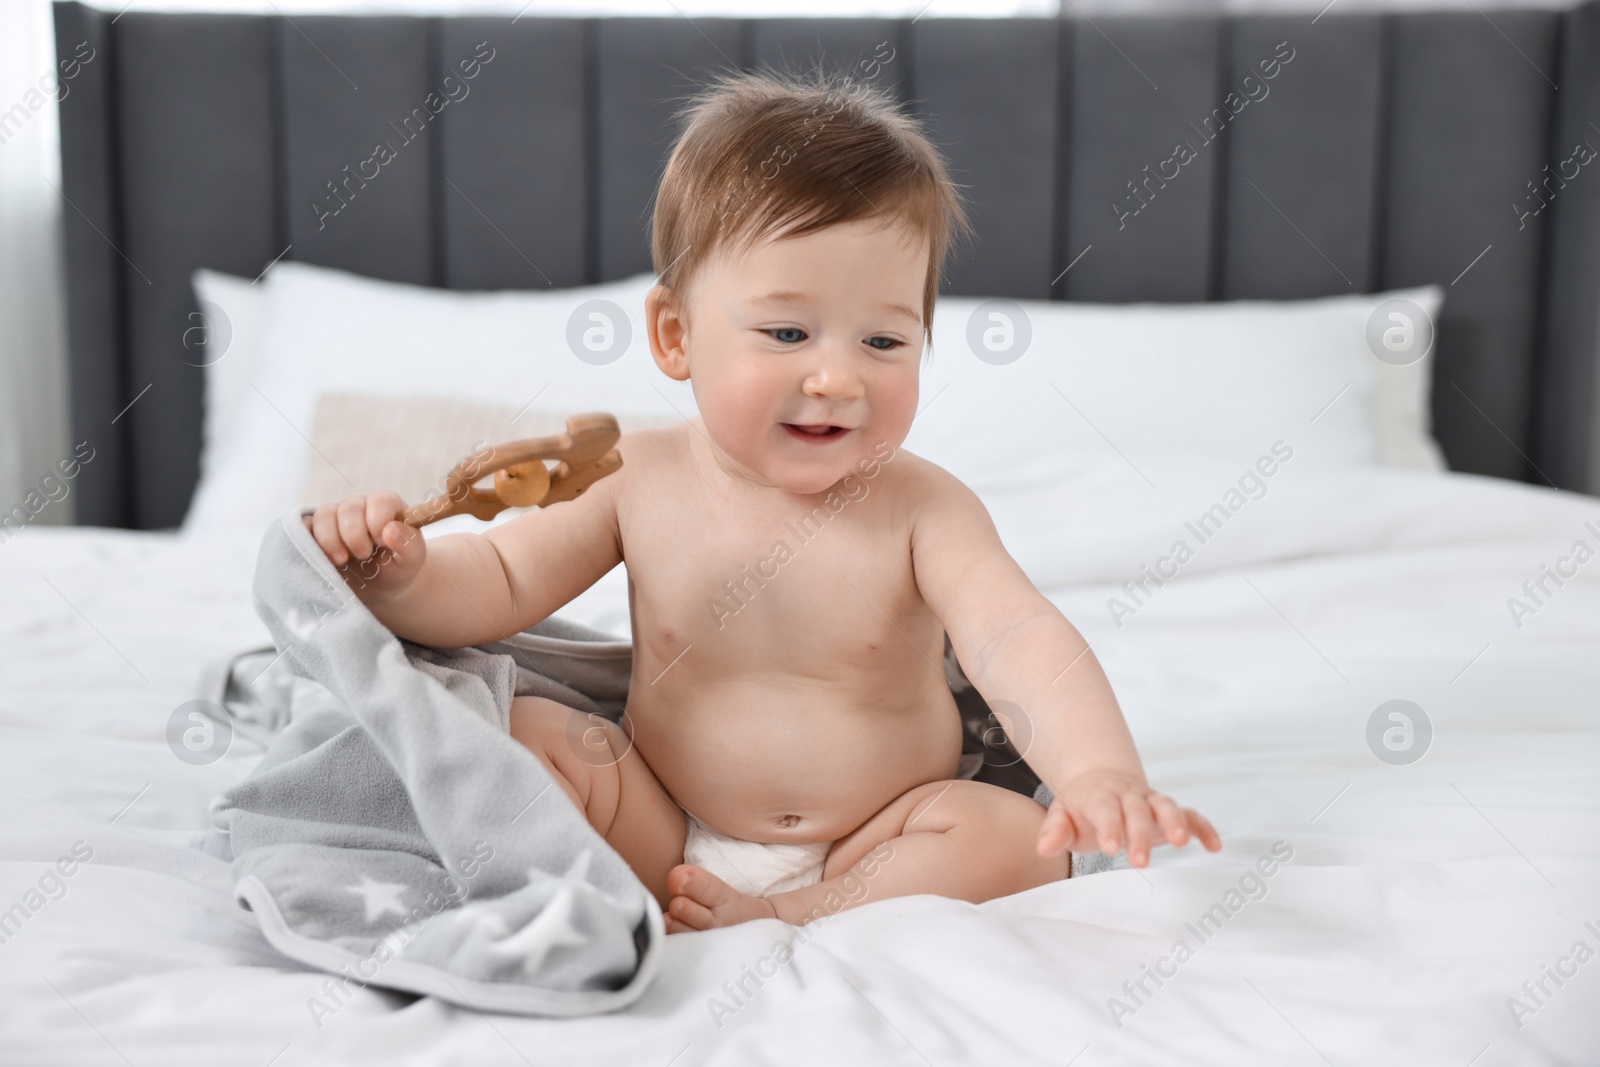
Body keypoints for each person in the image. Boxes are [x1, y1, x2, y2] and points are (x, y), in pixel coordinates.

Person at [305, 67, 1220, 934]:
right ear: (676, 334)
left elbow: (1022, 640)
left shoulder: (923, 509)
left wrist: (1100, 773)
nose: (837, 376)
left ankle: (798, 914)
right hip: (661, 819)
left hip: (883, 836)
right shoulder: (637, 476)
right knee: (521, 733)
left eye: (884, 341)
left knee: (1010, 835)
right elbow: (499, 579)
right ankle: (592, 890)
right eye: (787, 331)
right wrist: (397, 576)